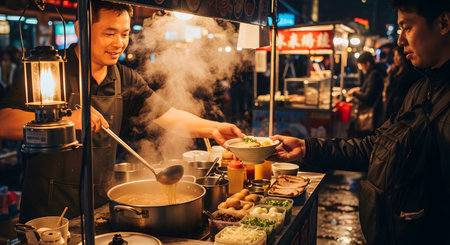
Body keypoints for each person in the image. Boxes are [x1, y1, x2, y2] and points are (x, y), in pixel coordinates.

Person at [0, 0, 243, 222]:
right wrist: (66, 119)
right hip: (47, 211)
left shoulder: (125, 78)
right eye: (110, 33)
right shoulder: (47, 70)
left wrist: (214, 128)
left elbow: (169, 116)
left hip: (98, 207)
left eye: (124, 34)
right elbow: (4, 121)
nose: (119, 43)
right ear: (80, 29)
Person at [270, 0, 449, 244]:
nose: (400, 40)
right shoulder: (421, 90)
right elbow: (377, 148)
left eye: (407, 27)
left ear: (444, 23)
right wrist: (307, 148)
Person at [346, 52, 384, 137]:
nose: (360, 68)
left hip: (372, 114)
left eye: (361, 65)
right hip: (374, 111)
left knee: (365, 138)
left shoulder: (374, 74)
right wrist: (359, 89)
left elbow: (368, 97)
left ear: (367, 63)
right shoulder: (372, 73)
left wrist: (354, 93)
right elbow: (369, 88)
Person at [382, 46, 421, 120]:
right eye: (394, 56)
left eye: (398, 55)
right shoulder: (394, 72)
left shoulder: (409, 74)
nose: (395, 58)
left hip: (400, 110)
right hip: (390, 107)